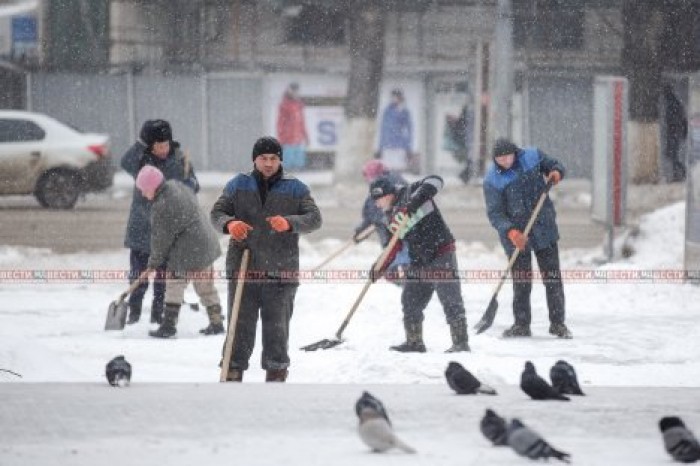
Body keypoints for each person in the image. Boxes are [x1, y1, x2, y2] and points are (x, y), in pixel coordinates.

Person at [211, 136, 322, 382]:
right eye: (263, 158)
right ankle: (232, 371)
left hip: (280, 271)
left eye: (273, 158)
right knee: (239, 328)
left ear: (280, 159)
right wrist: (230, 224)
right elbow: (217, 213)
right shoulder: (237, 185)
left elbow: (315, 219)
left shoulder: (296, 188)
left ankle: (276, 375)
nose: (269, 163)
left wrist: (290, 223)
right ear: (255, 160)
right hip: (244, 269)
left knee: (277, 331)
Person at [368, 174, 470, 353]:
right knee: (410, 300)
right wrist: (379, 266)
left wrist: (414, 202)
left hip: (441, 252)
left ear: (388, 194)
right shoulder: (389, 218)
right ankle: (414, 342)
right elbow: (393, 246)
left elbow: (436, 180)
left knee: (450, 298)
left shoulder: (410, 191)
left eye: (379, 199)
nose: (377, 204)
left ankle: (460, 343)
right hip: (419, 260)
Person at [483, 138, 571, 339]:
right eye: (499, 159)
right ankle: (521, 324)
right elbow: (495, 214)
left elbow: (555, 165)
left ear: (515, 152)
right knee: (522, 281)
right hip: (516, 235)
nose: (504, 162)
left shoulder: (532, 156)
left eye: (507, 157)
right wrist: (511, 232)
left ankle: (558, 324)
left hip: (543, 226)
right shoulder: (492, 180)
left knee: (552, 278)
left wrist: (556, 172)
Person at [121, 119, 199, 325]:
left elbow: (193, 184)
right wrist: (141, 143)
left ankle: (159, 312)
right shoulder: (141, 160)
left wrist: (190, 185)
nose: (164, 149)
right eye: (158, 145)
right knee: (139, 274)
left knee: (164, 277)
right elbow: (125, 162)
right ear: (149, 145)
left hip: (167, 229)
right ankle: (134, 312)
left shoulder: (180, 159)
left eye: (166, 144)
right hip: (142, 226)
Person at [133, 165, 224, 339]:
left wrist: (153, 263)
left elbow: (161, 240)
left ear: (152, 188)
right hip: (205, 243)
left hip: (188, 249)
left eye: (144, 190)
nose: (143, 194)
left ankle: (168, 325)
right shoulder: (176, 186)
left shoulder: (161, 206)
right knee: (205, 286)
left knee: (174, 284)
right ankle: (216, 322)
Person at [354, 160, 407, 247]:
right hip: (392, 243)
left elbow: (378, 212)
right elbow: (372, 210)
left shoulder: (388, 185)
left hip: (400, 241)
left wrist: (380, 219)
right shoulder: (380, 187)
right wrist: (362, 229)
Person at [276, 82, 309, 170]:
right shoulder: (284, 105)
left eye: (296, 91)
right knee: (288, 164)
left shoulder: (299, 105)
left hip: (298, 139)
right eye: (293, 90)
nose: (295, 93)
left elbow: (302, 122)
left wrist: (306, 136)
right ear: (289, 91)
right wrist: (281, 137)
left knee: (299, 164)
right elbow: (280, 122)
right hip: (288, 139)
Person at [378, 88, 413, 172]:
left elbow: (408, 129)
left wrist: (408, 145)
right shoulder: (387, 110)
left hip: (399, 143)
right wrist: (381, 144)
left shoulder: (404, 111)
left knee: (398, 167)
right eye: (392, 97)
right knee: (387, 167)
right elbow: (383, 128)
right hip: (387, 143)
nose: (393, 99)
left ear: (400, 97)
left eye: (395, 97)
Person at [663, 85, 688, 182]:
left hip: (674, 132)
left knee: (673, 155)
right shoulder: (675, 102)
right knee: (673, 155)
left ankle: (680, 173)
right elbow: (682, 117)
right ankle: (677, 174)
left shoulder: (671, 103)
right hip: (675, 131)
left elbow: (673, 119)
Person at [445, 103, 475, 184]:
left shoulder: (466, 115)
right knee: (470, 160)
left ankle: (464, 175)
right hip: (466, 141)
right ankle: (465, 175)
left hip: (466, 141)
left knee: (470, 160)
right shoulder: (467, 114)